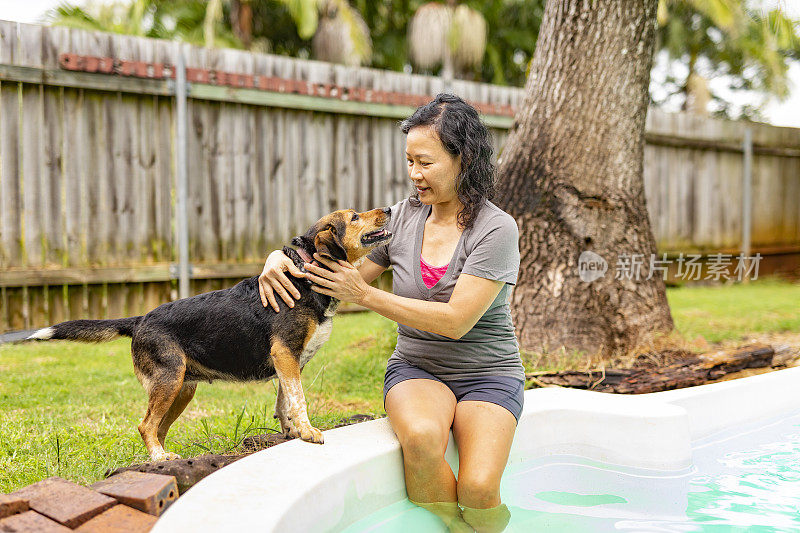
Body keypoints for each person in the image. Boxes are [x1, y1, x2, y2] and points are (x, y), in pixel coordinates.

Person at [258, 93, 523, 532]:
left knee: (478, 489)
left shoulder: (496, 228)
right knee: (420, 439)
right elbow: (338, 276)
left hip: (488, 373)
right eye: (409, 161)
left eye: (427, 163)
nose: (414, 175)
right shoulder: (401, 219)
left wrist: (365, 295)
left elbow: (456, 321)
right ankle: (455, 529)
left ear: (465, 159)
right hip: (418, 369)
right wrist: (277, 259)